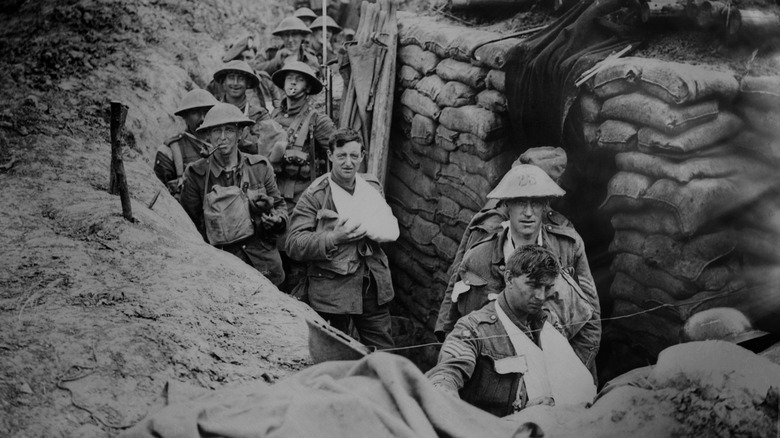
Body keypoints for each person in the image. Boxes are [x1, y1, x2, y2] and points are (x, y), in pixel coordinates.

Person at [435, 162, 602, 381]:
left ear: (545, 206)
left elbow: (591, 318)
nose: (528, 213)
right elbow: (454, 319)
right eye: (521, 202)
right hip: (497, 373)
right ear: (507, 205)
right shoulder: (480, 256)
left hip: (558, 368)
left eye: (536, 203)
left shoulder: (567, 246)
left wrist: (570, 373)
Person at [426, 245, 597, 417]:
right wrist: (443, 391)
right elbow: (447, 373)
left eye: (547, 287)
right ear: (509, 278)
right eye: (533, 285)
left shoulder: (547, 323)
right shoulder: (474, 330)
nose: (541, 296)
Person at [285, 128, 399, 349]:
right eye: (341, 156)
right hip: (332, 291)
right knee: (335, 353)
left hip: (372, 286)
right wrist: (333, 238)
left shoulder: (371, 188)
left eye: (354, 156)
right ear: (330, 156)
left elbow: (384, 227)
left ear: (362, 156)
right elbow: (293, 243)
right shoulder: (316, 195)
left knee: (385, 354)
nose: (348, 163)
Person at [181, 103, 287, 286]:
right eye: (216, 131)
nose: (223, 137)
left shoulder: (259, 167)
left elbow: (280, 206)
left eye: (229, 130)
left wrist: (276, 219)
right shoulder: (196, 174)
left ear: (240, 133)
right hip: (221, 268)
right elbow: (189, 226)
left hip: (263, 264)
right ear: (208, 135)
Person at [270, 60, 336, 211]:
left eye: (299, 79)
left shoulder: (318, 120)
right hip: (273, 194)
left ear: (308, 88)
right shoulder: (274, 115)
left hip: (302, 198)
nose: (293, 83)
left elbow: (338, 151)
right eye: (289, 78)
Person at [154, 89, 219, 199]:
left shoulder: (223, 146)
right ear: (185, 116)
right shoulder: (170, 151)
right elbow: (162, 198)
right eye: (195, 112)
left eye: (207, 111)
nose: (203, 118)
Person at [255, 16, 319, 76]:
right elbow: (254, 69)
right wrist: (276, 61)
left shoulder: (310, 59)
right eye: (286, 35)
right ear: (281, 37)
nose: (290, 40)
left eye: (294, 34)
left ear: (302, 36)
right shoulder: (271, 53)